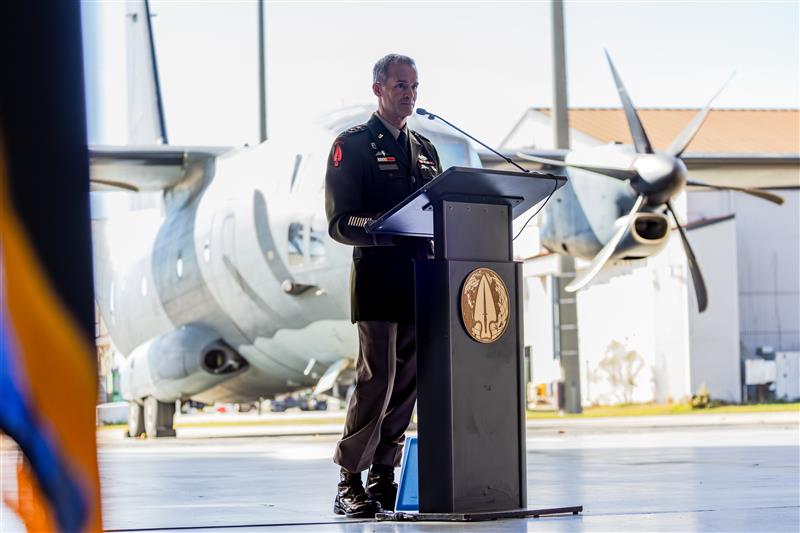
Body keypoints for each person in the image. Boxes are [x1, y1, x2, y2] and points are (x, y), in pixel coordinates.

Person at [324, 53, 442, 518]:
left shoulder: (427, 150)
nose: (409, 93)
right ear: (377, 89)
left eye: (413, 86)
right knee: (378, 381)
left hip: (420, 279)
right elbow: (339, 221)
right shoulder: (352, 146)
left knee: (407, 384)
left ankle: (383, 476)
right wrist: (385, 226)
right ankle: (349, 479)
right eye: (399, 85)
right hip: (377, 279)